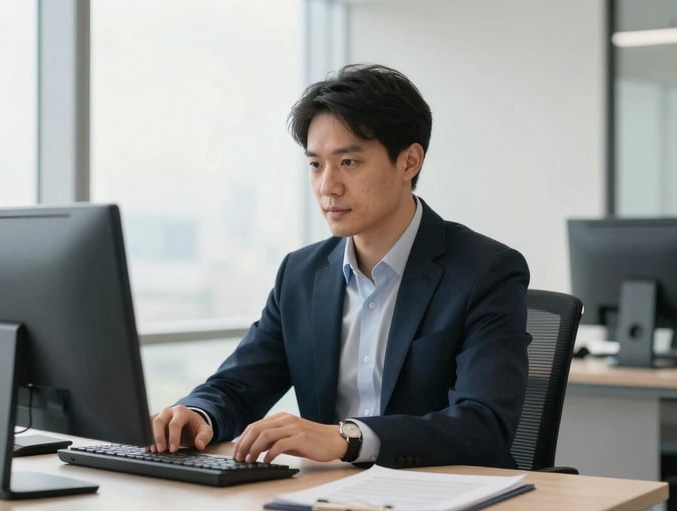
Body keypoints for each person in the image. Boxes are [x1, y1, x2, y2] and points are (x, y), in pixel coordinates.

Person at [151, 64, 530, 469]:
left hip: (445, 498)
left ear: (409, 162)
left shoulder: (485, 271)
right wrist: (198, 413)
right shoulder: (301, 274)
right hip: (329, 494)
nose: (327, 186)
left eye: (348, 162)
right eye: (316, 165)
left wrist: (347, 438)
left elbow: (483, 425)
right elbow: (238, 386)